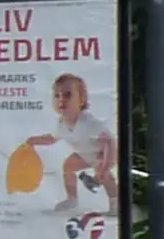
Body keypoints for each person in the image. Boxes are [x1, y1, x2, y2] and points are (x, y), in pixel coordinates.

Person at [34, 71, 114, 212]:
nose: (61, 100)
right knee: (68, 166)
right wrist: (34, 141)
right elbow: (53, 138)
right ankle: (72, 199)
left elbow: (109, 142)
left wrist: (106, 165)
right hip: (85, 154)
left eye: (67, 95)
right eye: (57, 96)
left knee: (103, 173)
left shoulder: (87, 122)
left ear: (81, 100)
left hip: (106, 152)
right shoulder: (62, 123)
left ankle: (115, 202)